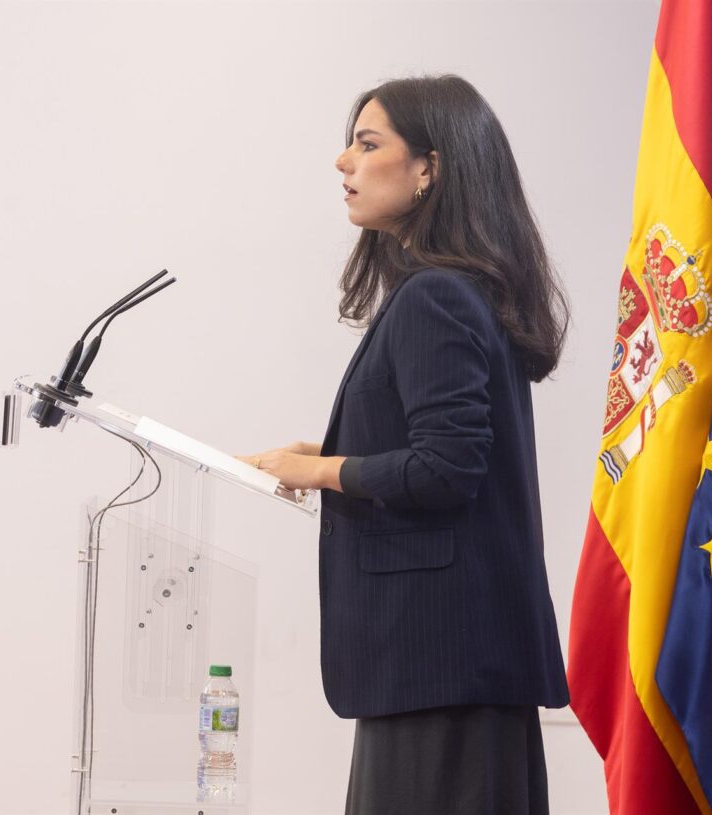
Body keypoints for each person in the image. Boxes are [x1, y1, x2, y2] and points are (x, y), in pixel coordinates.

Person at [237, 75, 570, 814]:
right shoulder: (459, 291)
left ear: (428, 168)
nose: (342, 162)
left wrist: (322, 469)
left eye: (367, 143)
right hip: (453, 672)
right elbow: (442, 447)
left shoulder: (437, 296)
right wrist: (328, 450)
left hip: (441, 671)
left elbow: (447, 467)